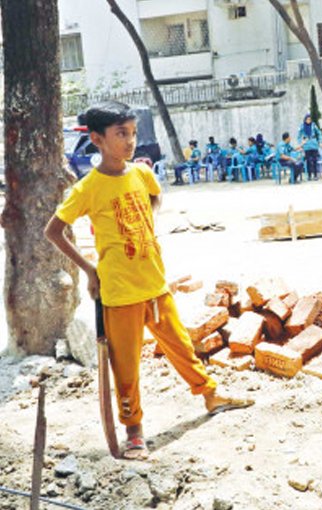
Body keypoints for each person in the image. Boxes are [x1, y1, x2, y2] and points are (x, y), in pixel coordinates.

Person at [43, 101, 254, 461]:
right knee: (126, 367)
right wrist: (90, 269)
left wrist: (146, 232)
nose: (129, 141)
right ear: (97, 139)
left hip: (156, 286)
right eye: (120, 134)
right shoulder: (88, 188)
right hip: (119, 293)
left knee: (182, 348)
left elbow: (154, 199)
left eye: (132, 133)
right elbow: (54, 231)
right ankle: (134, 432)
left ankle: (211, 395)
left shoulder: (141, 174)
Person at [298, 114, 322, 180]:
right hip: (307, 145)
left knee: (315, 160)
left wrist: (320, 141)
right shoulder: (302, 126)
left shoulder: (313, 125)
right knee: (308, 161)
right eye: (307, 119)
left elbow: (319, 133)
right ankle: (309, 175)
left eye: (310, 119)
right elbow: (299, 136)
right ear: (305, 119)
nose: (309, 120)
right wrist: (301, 143)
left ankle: (315, 175)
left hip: (314, 144)